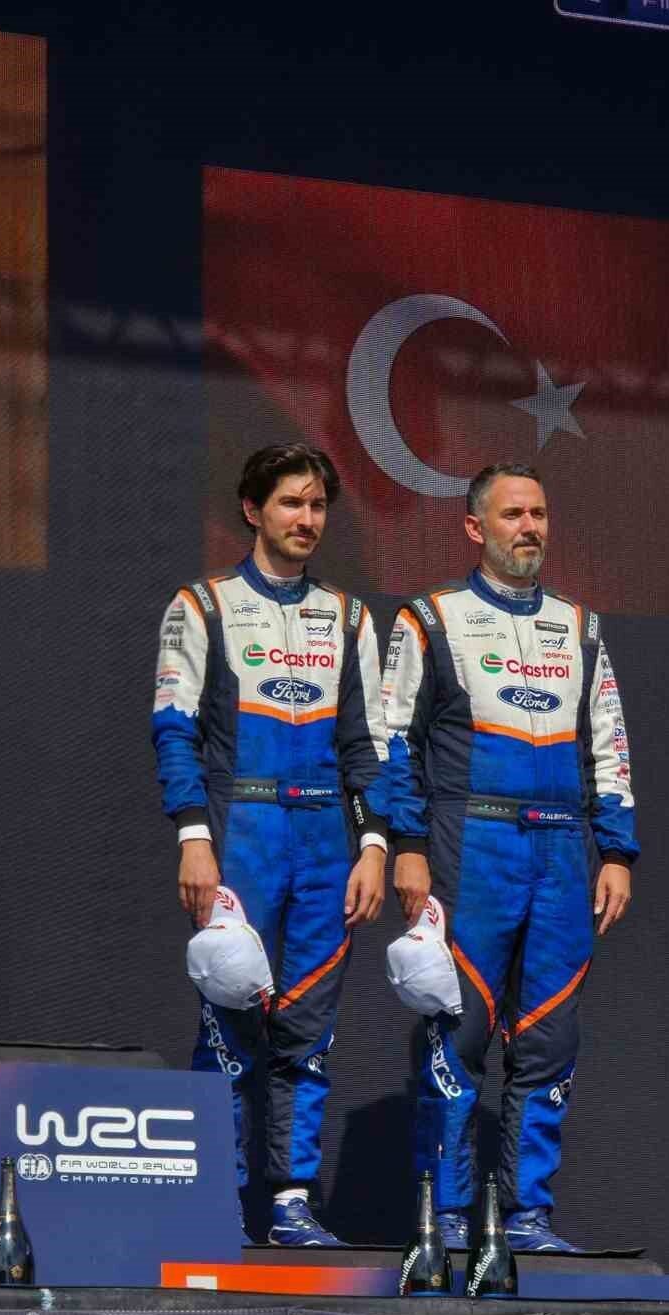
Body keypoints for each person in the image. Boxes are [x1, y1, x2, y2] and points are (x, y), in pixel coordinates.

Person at [382, 463, 638, 1252]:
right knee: (458, 1035)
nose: (529, 527)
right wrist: (407, 845)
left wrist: (616, 851)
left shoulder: (580, 626)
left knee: (548, 1039)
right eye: (512, 515)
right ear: (474, 527)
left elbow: (609, 746)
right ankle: (447, 1219)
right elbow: (394, 741)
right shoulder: (430, 618)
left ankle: (527, 1217)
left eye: (539, 514)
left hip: (562, 850)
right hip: (472, 842)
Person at [152, 443, 390, 1246]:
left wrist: (374, 847)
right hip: (241, 830)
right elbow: (174, 731)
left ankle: (290, 1197)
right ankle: (214, 1197)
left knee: (308, 1023)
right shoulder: (202, 605)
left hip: (325, 839)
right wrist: (193, 837)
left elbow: (368, 748)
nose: (306, 518)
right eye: (291, 502)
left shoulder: (350, 618)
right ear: (253, 510)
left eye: (317, 505)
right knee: (229, 1019)